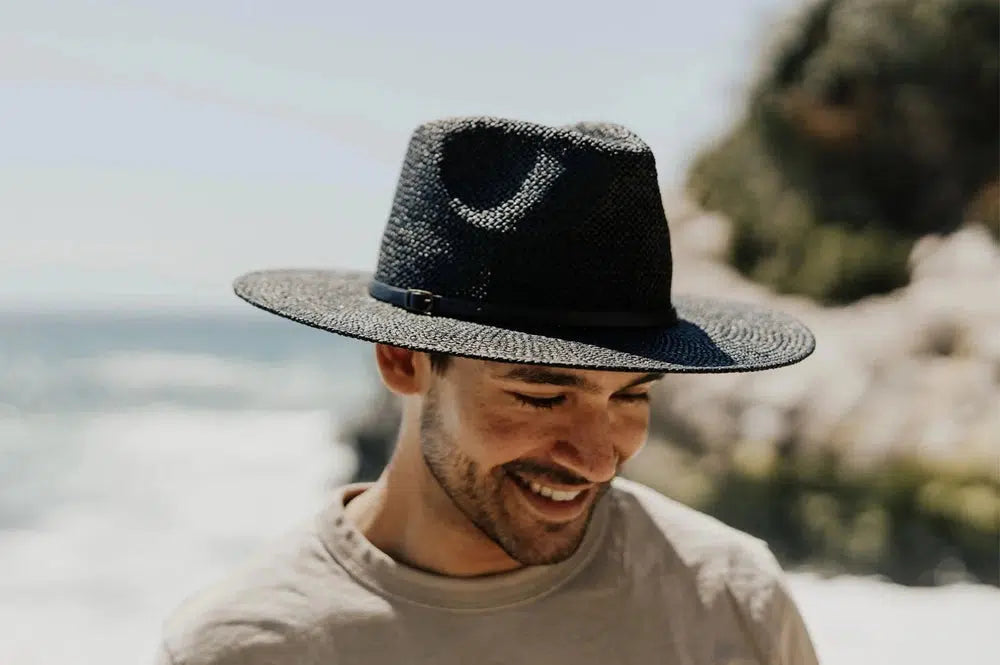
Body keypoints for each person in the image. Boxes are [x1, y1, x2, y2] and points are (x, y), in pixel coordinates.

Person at [155, 117, 820, 664]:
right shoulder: (245, 647)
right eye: (542, 395)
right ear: (402, 359)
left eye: (630, 396)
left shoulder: (729, 599)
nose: (595, 458)